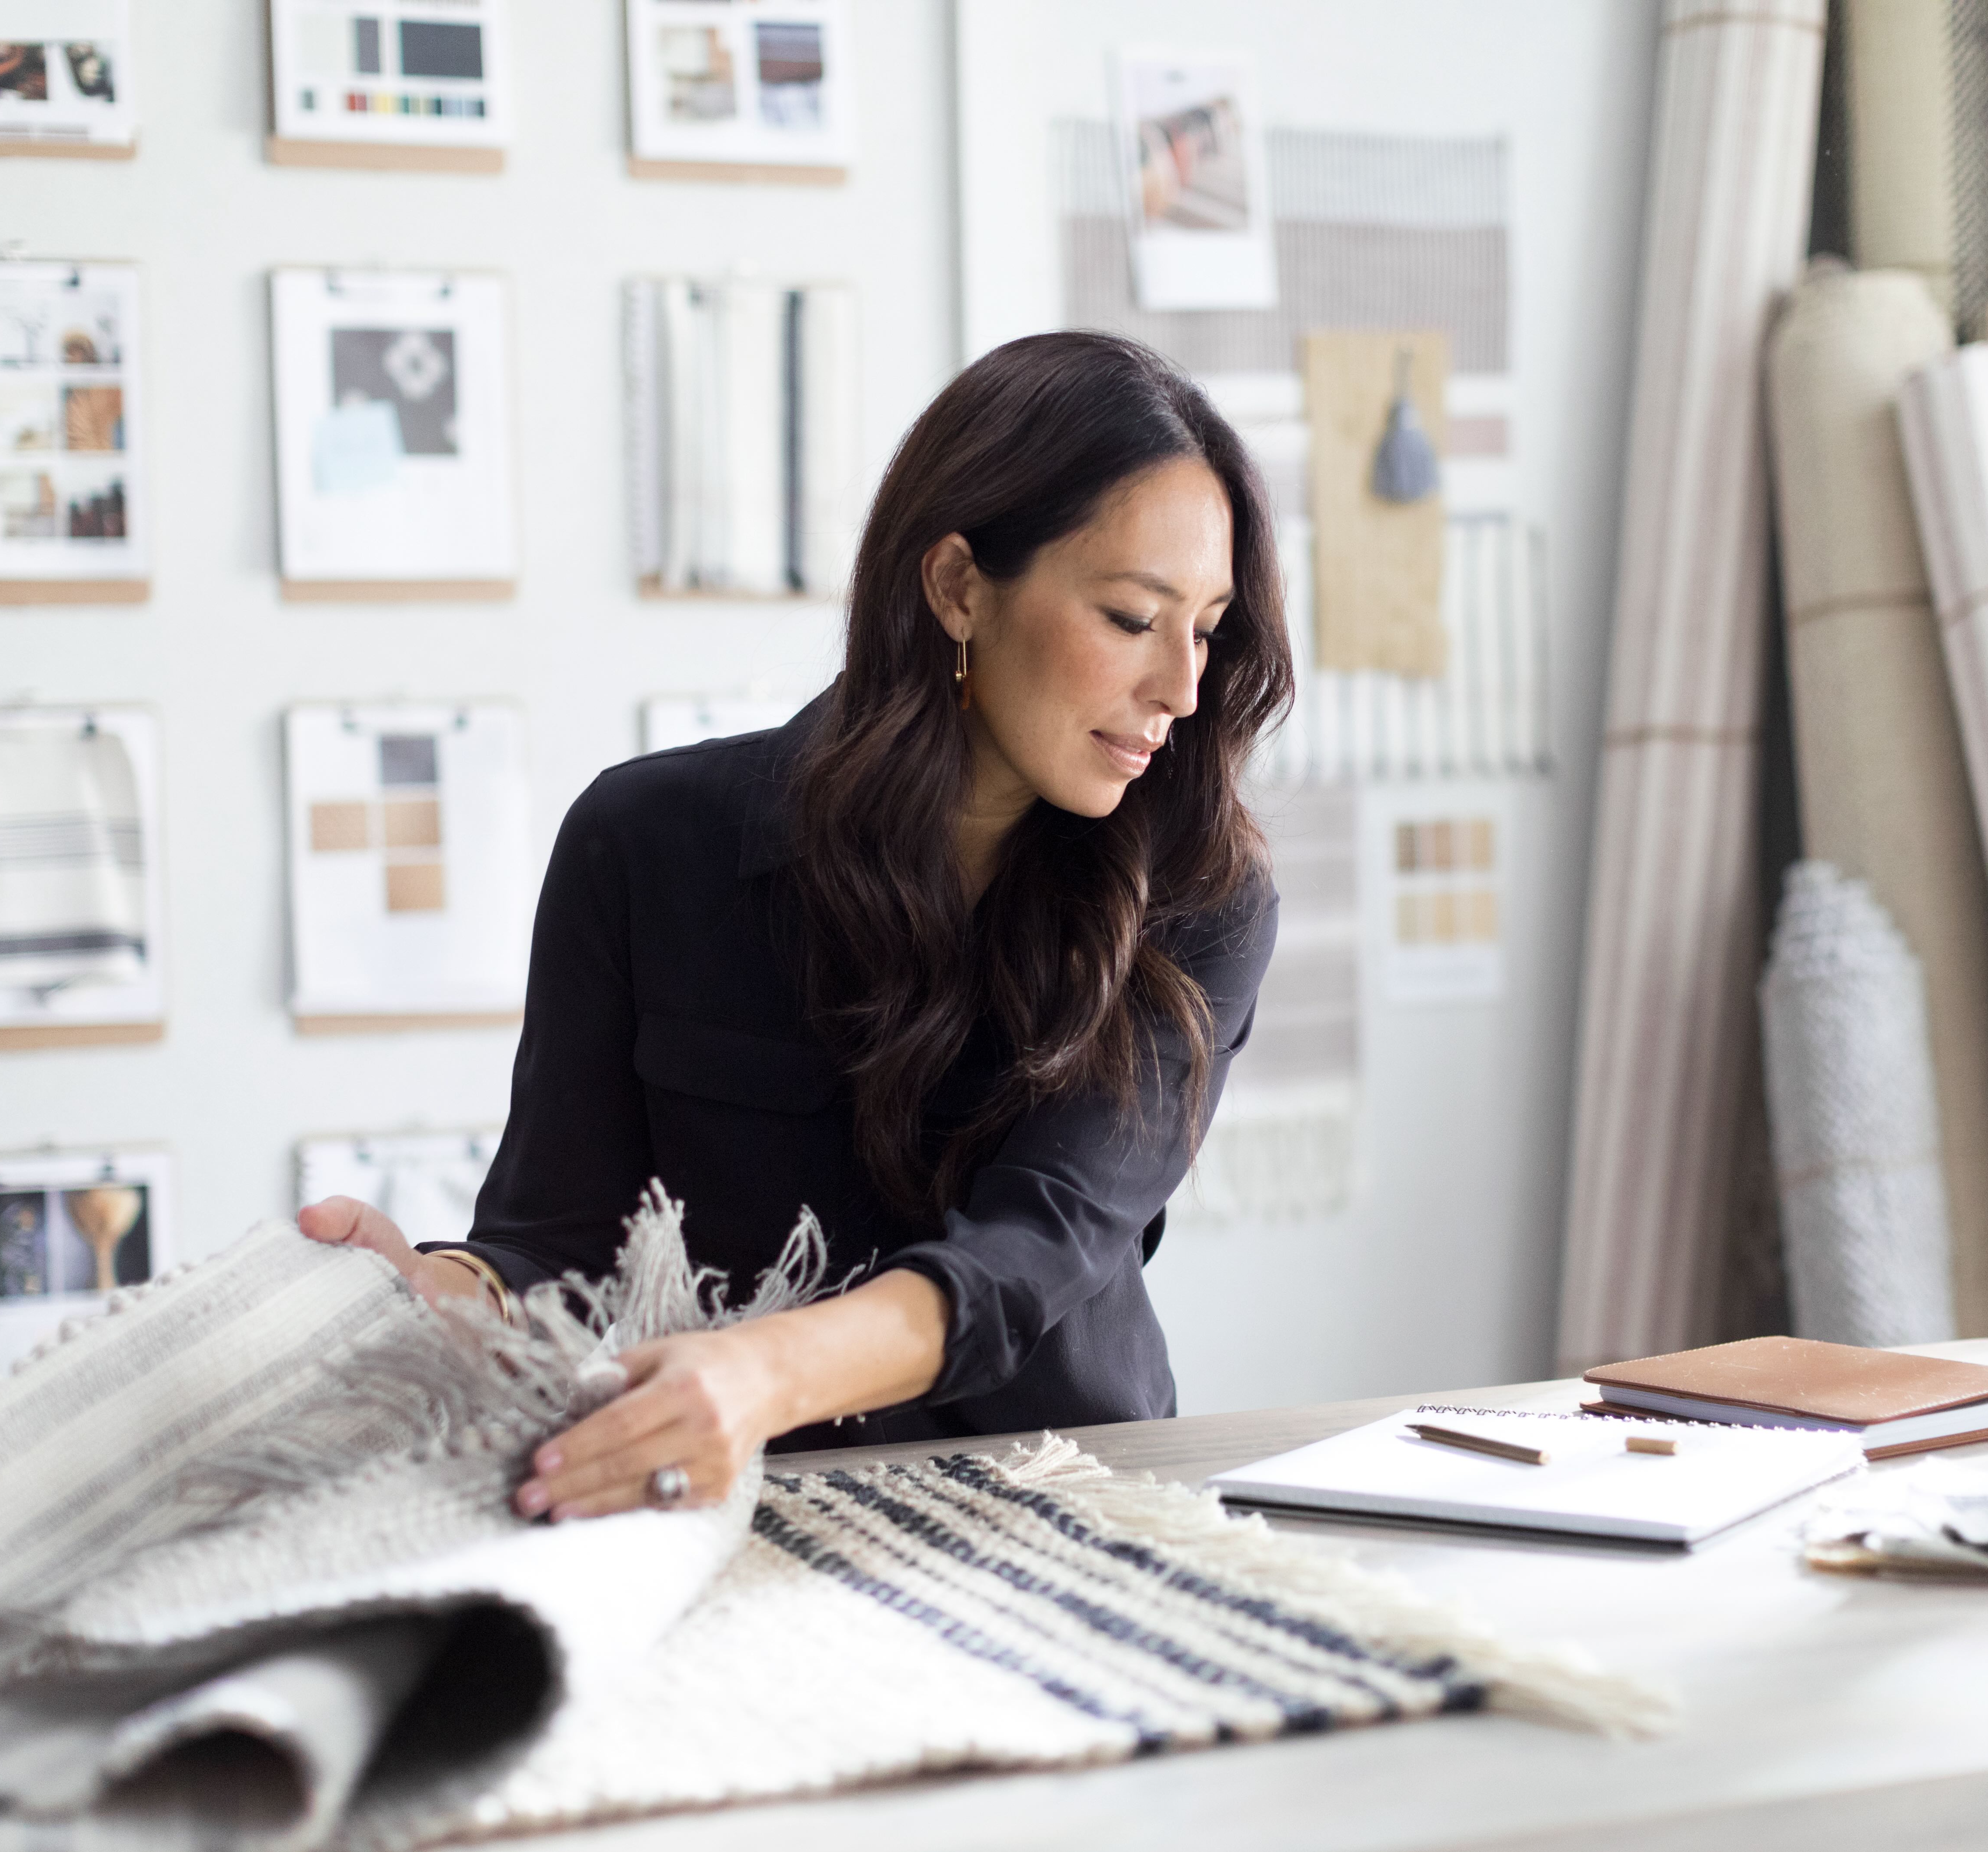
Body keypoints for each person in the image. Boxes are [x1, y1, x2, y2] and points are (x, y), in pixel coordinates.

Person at [297, 332, 1291, 1524]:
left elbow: (1038, 1249)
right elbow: (552, 1242)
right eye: (1134, 618)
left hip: (1071, 1510)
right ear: (959, 587)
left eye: (1209, 627)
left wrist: (761, 1371)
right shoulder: (646, 841)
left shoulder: (1202, 893)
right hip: (733, 1518)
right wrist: (428, 1293)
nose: (1183, 688)